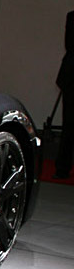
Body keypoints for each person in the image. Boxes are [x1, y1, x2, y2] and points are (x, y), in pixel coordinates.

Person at [54, 10, 74, 178]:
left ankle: (63, 168)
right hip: (72, 78)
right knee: (69, 124)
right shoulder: (72, 17)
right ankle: (62, 167)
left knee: (69, 124)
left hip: (71, 77)